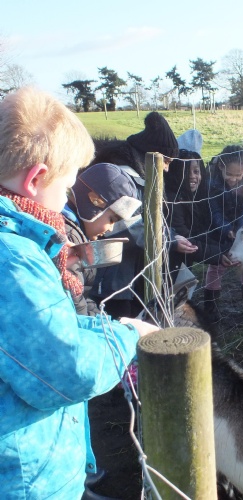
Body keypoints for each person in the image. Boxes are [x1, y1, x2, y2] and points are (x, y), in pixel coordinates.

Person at [0, 86, 158, 499]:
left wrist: (107, 326)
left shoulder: (20, 244)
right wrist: (129, 337)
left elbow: (42, 330)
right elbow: (68, 368)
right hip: (25, 481)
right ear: (36, 179)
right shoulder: (11, 260)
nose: (67, 198)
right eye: (67, 184)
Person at [89, 111, 179, 318]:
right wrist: (171, 240)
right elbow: (128, 228)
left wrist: (172, 236)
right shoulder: (119, 180)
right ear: (148, 156)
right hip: (111, 276)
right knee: (119, 323)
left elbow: (149, 220)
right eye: (165, 161)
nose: (166, 169)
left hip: (130, 272)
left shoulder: (137, 177)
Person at [63, 162, 143, 316]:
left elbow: (81, 298)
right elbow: (75, 307)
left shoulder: (75, 232)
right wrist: (108, 326)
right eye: (111, 219)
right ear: (94, 202)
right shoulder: (70, 239)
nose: (111, 229)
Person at [164, 149, 233, 317]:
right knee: (168, 298)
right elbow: (186, 238)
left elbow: (202, 232)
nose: (192, 176)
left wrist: (224, 248)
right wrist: (217, 255)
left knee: (177, 298)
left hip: (181, 263)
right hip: (168, 264)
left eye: (196, 171)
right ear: (175, 173)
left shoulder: (197, 197)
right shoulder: (171, 200)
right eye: (185, 172)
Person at [206, 145, 243, 317]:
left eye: (238, 175)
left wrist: (240, 229)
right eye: (229, 174)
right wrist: (226, 229)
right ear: (221, 167)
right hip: (219, 228)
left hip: (242, 228)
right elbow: (214, 210)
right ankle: (211, 309)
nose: (234, 179)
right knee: (217, 265)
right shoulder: (211, 181)